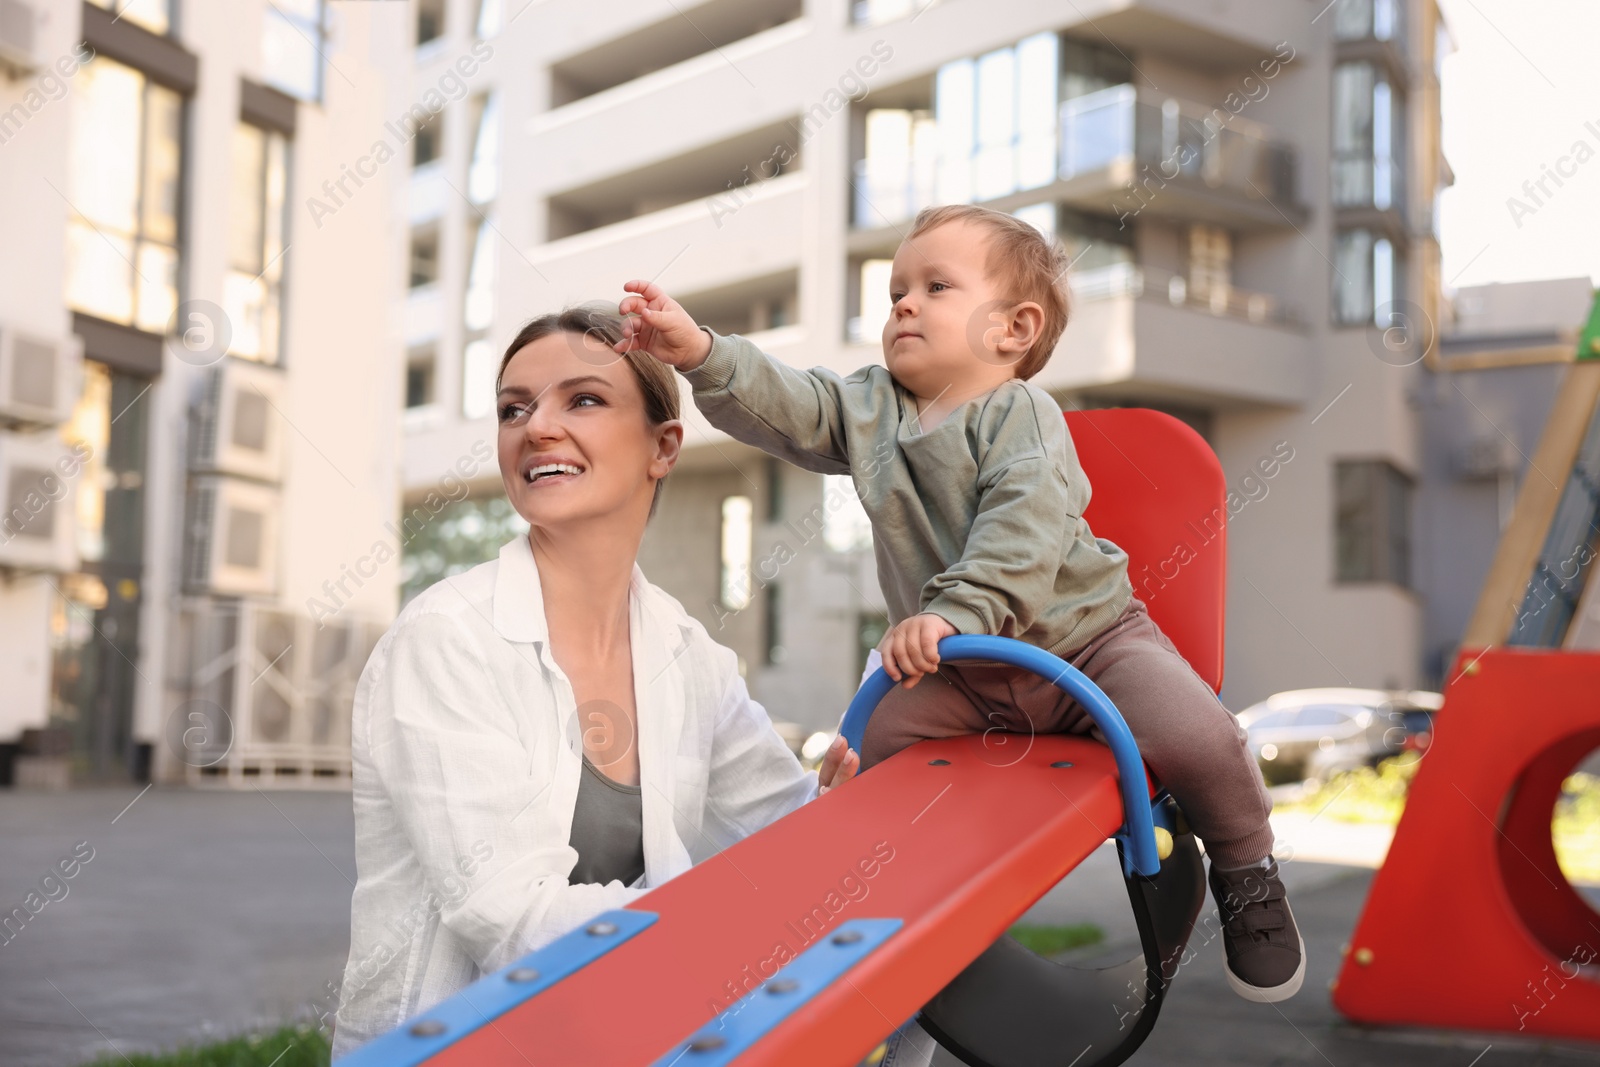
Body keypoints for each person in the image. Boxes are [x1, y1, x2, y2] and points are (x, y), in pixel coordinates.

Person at [615, 204, 1304, 1016]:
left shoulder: (1023, 418)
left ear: (1015, 327)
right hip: (963, 669)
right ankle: (884, 904)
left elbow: (1023, 527)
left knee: (1202, 733)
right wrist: (699, 351)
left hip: (1086, 646)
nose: (903, 303)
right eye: (896, 290)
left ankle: (1246, 867)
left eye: (935, 286)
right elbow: (792, 403)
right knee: (870, 749)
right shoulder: (870, 410)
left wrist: (953, 612)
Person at [331, 306, 859, 1057]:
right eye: (515, 407)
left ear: (663, 445)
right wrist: (744, 920)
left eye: (582, 399)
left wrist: (837, 819)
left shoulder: (689, 655)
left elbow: (793, 834)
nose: (537, 426)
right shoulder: (447, 638)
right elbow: (514, 918)